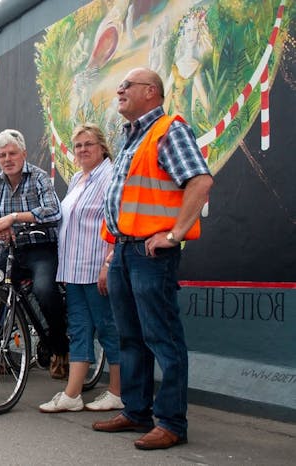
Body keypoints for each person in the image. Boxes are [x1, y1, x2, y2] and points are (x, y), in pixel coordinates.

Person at [92, 68, 213, 450]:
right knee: (130, 337)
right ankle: (136, 411)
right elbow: (124, 206)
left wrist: (174, 234)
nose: (120, 89)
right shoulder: (131, 138)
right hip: (126, 250)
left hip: (151, 254)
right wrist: (111, 254)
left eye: (127, 85)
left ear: (151, 92)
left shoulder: (168, 129)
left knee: (162, 336)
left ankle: (172, 423)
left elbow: (201, 181)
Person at [0, 129, 68, 380]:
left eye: (12, 153)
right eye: (2, 155)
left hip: (40, 248)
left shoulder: (39, 177)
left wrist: (12, 218)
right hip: (12, 252)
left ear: (23, 153)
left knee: (44, 290)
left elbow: (54, 212)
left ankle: (59, 345)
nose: (7, 159)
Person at [39, 124, 123, 413]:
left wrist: (108, 264)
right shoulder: (77, 178)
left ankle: (117, 391)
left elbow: (116, 222)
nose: (83, 150)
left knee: (108, 329)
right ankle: (72, 394)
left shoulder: (111, 175)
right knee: (79, 330)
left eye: (88, 144)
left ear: (102, 147)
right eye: (78, 146)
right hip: (73, 270)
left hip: (95, 268)